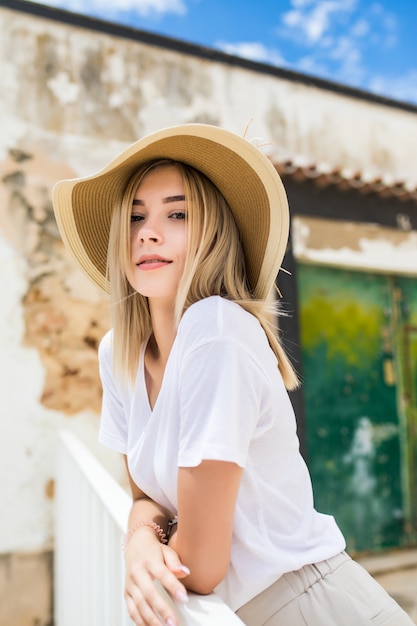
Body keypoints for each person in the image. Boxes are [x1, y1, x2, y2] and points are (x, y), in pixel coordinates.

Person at [53, 124, 414, 626]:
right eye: (135, 216)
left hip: (312, 605)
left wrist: (148, 547)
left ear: (213, 233)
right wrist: (137, 542)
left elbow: (199, 566)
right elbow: (144, 497)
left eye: (177, 214)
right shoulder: (121, 351)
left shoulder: (215, 328)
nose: (147, 232)